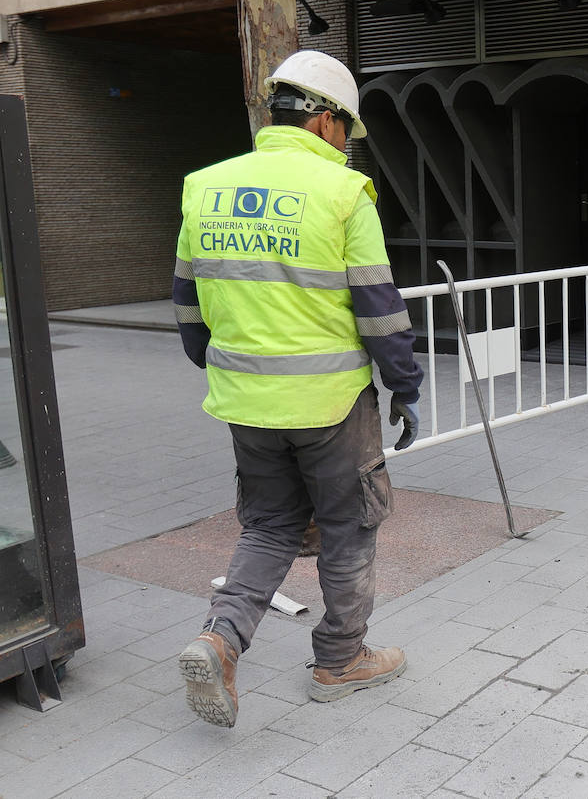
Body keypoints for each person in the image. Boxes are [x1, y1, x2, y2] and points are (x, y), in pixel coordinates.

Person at [172, 50, 424, 727]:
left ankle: (220, 640)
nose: (347, 146)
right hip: (331, 405)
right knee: (349, 526)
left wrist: (222, 365)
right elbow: (378, 308)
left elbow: (188, 305)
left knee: (270, 524)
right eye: (347, 132)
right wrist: (405, 385)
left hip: (245, 401)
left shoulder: (206, 185)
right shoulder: (344, 193)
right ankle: (340, 659)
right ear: (324, 121)